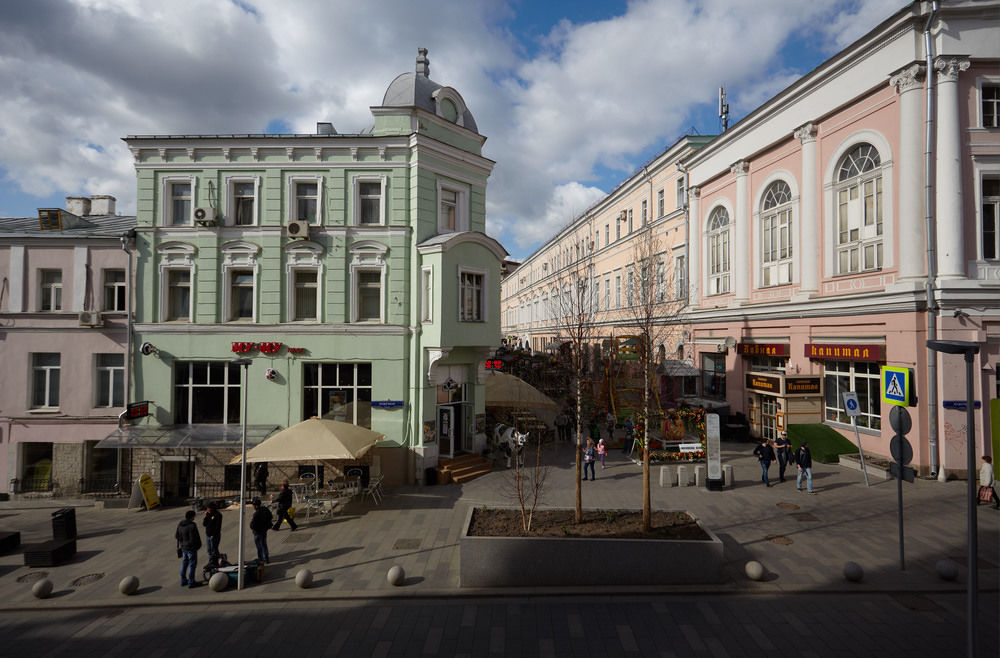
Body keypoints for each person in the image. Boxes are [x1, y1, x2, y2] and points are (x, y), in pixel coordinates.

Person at [175, 509, 202, 588]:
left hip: (183, 547)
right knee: (192, 565)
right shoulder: (192, 525)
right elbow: (195, 538)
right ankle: (191, 581)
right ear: (192, 517)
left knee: (184, 563)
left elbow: (177, 536)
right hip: (191, 548)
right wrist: (197, 546)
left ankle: (183, 580)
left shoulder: (180, 524)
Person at [249, 497, 273, 563]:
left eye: (253, 505)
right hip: (264, 530)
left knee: (259, 546)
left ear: (256, 506)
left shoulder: (256, 514)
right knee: (264, 544)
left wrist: (252, 527)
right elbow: (271, 516)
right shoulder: (265, 509)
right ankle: (266, 557)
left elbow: (252, 524)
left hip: (257, 531)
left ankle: (261, 558)